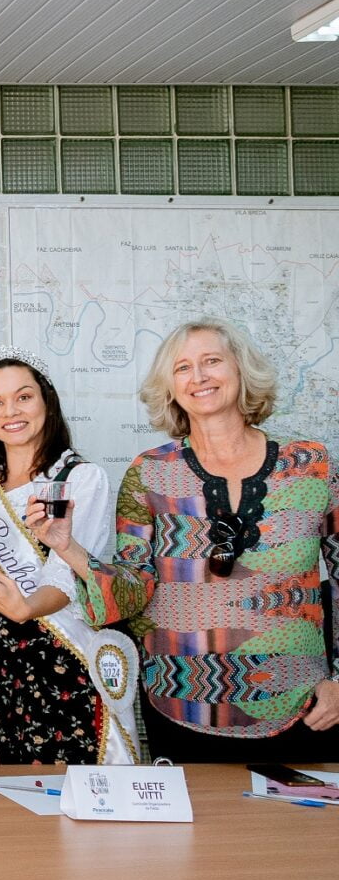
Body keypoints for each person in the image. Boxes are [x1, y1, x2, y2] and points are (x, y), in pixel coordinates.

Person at [49, 319, 339, 762]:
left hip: (302, 707)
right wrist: (68, 548)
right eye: (183, 368)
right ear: (170, 387)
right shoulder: (149, 473)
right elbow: (131, 592)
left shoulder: (312, 467)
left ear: (241, 370)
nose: (199, 377)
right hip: (180, 706)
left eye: (211, 361)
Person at [0, 347, 140, 765]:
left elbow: (64, 578)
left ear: (46, 401)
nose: (10, 411)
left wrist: (25, 607)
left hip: (53, 653)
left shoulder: (78, 478)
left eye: (23, 397)